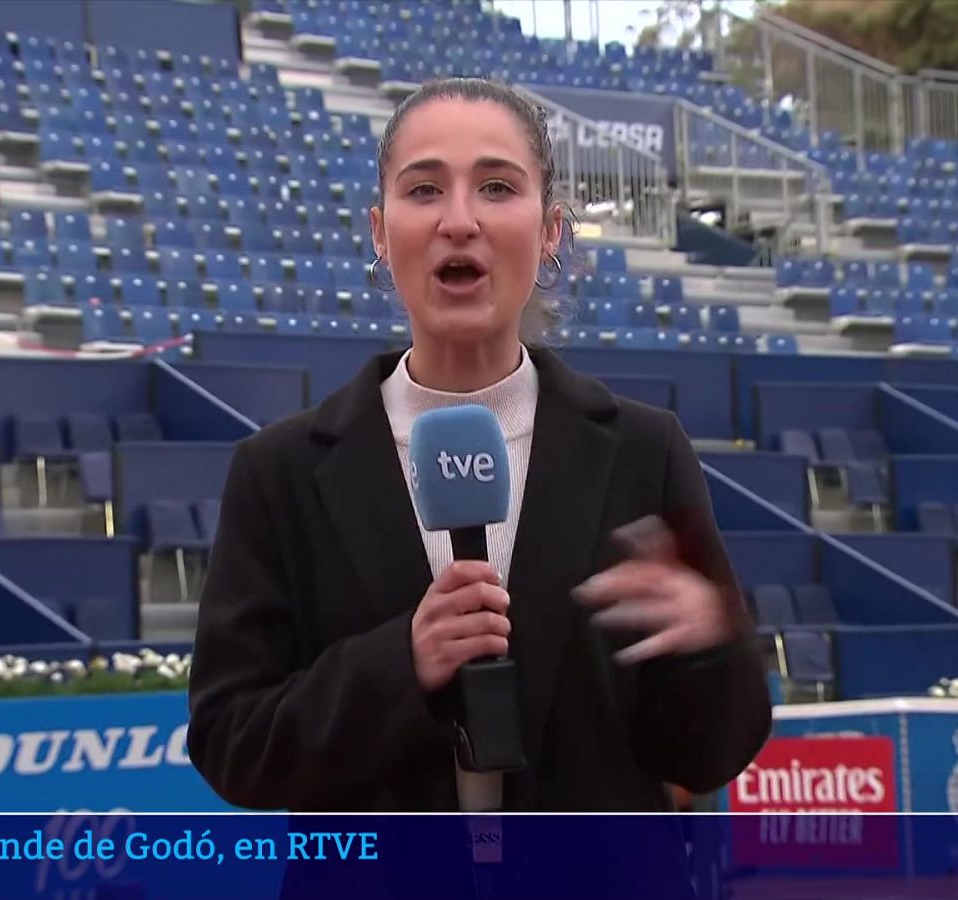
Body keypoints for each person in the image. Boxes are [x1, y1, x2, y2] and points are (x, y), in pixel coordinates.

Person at [186, 78, 770, 821]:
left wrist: (708, 644)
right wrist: (402, 662)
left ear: (552, 229)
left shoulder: (642, 452)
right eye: (424, 189)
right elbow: (233, 744)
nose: (459, 220)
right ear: (379, 230)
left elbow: (707, 757)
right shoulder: (281, 473)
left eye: (497, 186)